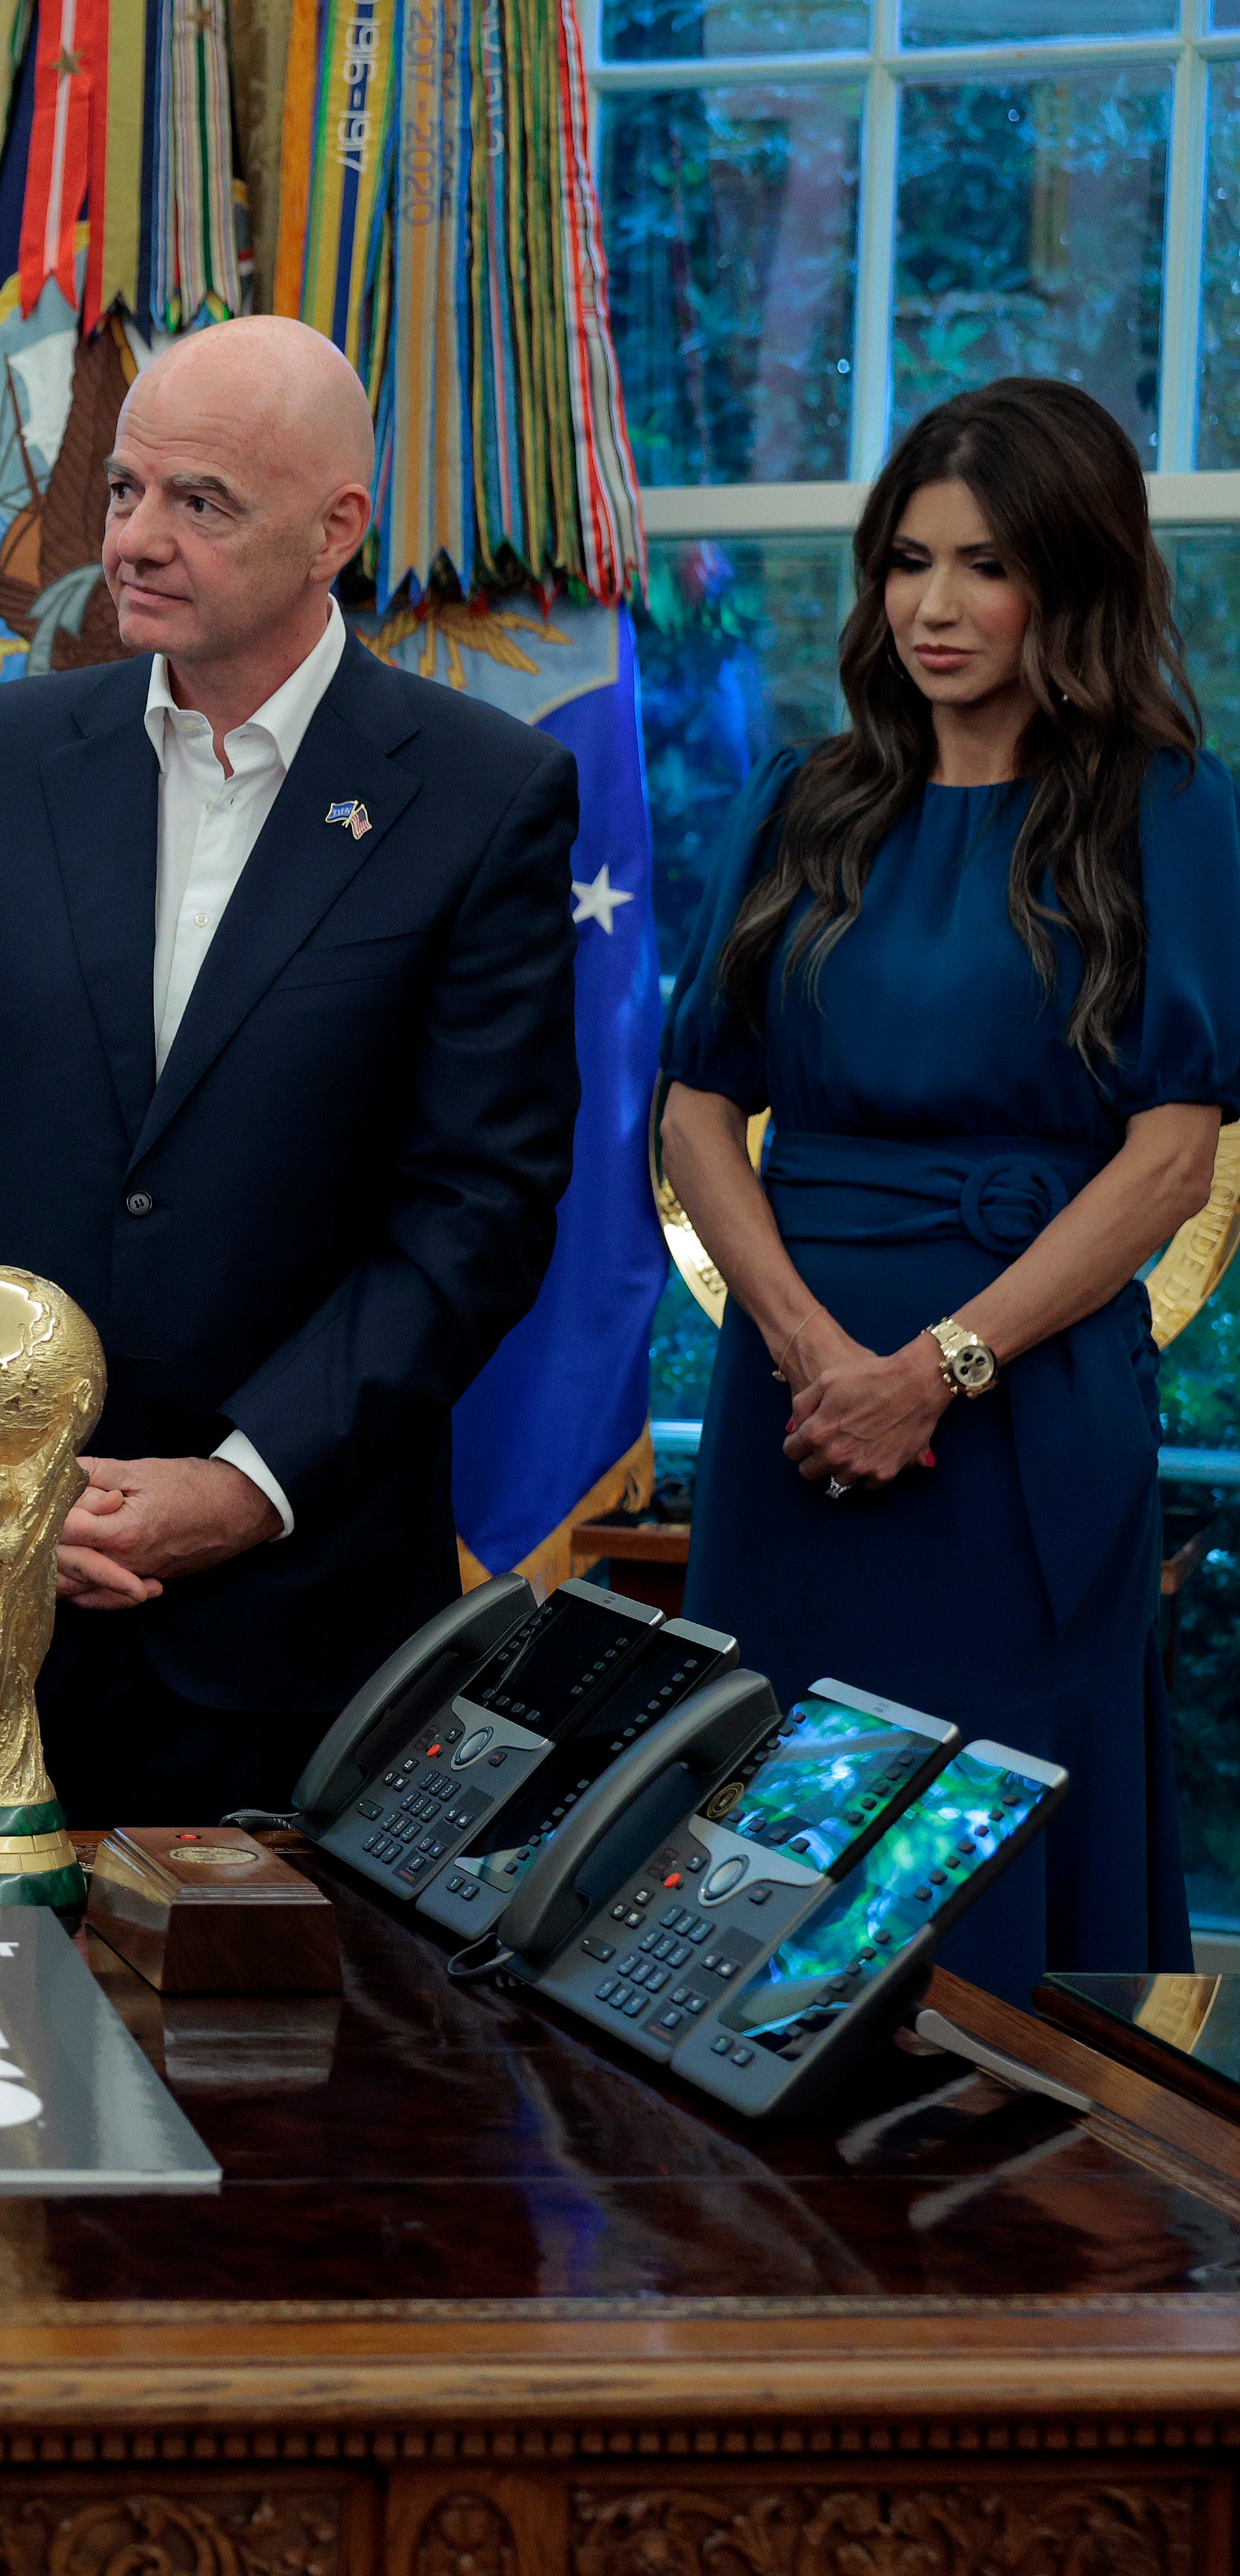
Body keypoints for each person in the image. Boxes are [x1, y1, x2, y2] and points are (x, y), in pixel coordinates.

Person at [0, 314, 579, 1826]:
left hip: (288, 1624)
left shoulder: (485, 798)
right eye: (121, 491)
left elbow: (474, 1211)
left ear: (334, 531)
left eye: (200, 503)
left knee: (260, 2063)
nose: (135, 541)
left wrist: (241, 1483)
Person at [663, 378, 1234, 1992]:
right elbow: (698, 1107)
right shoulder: (803, 800)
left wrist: (935, 1371)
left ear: (1070, 577)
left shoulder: (1164, 811)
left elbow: (1171, 1159)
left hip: (1020, 1427)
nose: (933, 605)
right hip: (796, 1421)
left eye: (983, 564)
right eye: (907, 561)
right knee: (764, 1870)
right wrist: (812, 1353)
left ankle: (998, 2225)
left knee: (990, 1858)